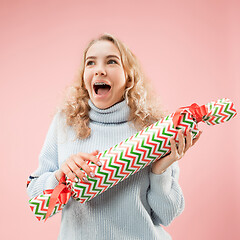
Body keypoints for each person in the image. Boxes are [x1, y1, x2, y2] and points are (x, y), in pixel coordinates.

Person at [27, 33, 201, 240]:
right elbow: (36, 198)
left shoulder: (154, 128)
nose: (99, 69)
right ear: (84, 75)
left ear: (129, 75)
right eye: (90, 63)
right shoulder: (65, 123)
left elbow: (167, 215)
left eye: (111, 61)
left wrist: (160, 172)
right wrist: (60, 176)